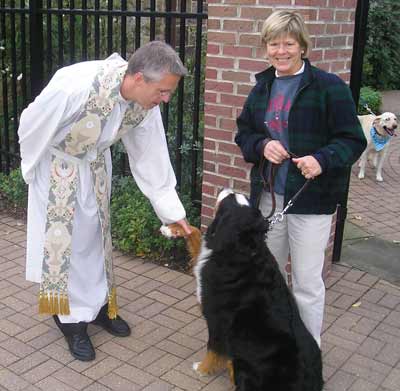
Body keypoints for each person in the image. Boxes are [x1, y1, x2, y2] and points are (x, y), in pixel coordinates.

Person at [18, 41, 192, 361]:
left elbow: (151, 155)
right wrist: (33, 171)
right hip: (59, 168)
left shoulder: (145, 104)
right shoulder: (76, 86)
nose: (165, 99)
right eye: (163, 91)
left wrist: (171, 211)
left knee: (96, 241)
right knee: (65, 247)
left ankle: (98, 306)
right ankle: (70, 321)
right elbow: (31, 123)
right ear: (139, 78)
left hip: (96, 169)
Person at [235, 10, 366, 346]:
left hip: (311, 202)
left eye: (288, 43)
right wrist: (263, 145)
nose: (281, 51)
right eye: (274, 44)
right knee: (268, 279)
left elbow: (353, 139)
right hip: (269, 199)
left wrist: (322, 159)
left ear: (302, 46)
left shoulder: (328, 87)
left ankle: (307, 355)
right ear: (266, 47)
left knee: (307, 284)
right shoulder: (263, 86)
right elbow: (244, 134)